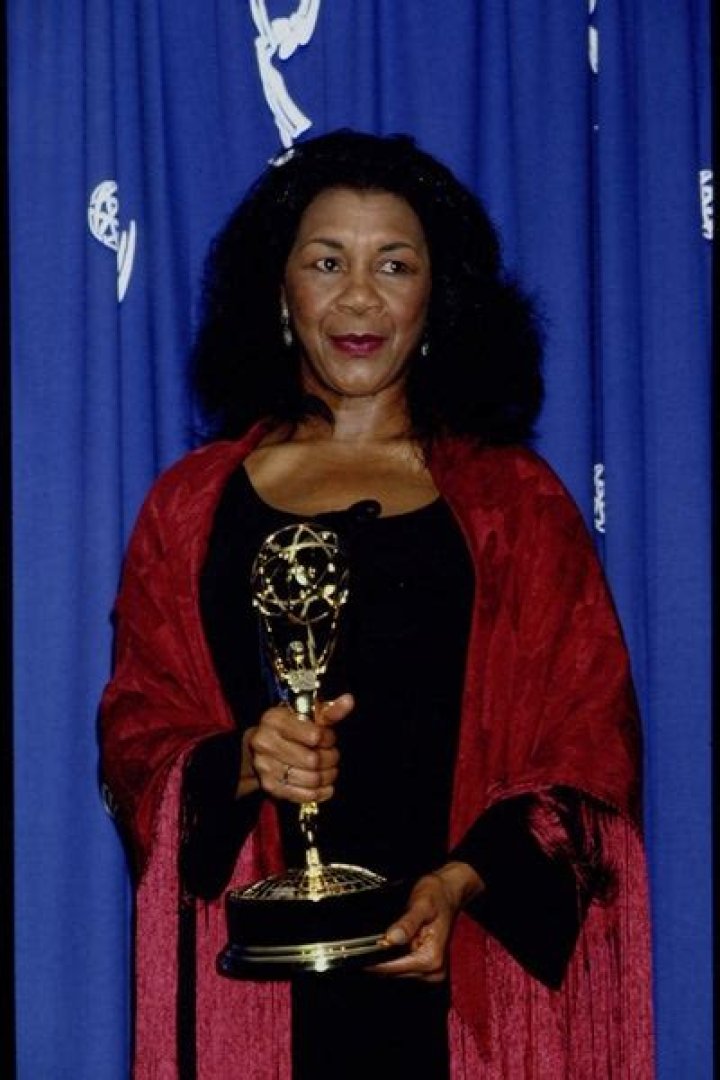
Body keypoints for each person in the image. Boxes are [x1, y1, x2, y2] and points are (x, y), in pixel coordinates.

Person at [100, 129, 654, 1079]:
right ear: (280, 291)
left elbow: (591, 748)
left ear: (438, 298)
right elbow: (137, 736)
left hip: (464, 977)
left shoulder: (516, 507)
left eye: (393, 265)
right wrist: (241, 763)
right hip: (259, 994)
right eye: (327, 262)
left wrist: (461, 883)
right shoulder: (189, 508)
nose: (359, 297)